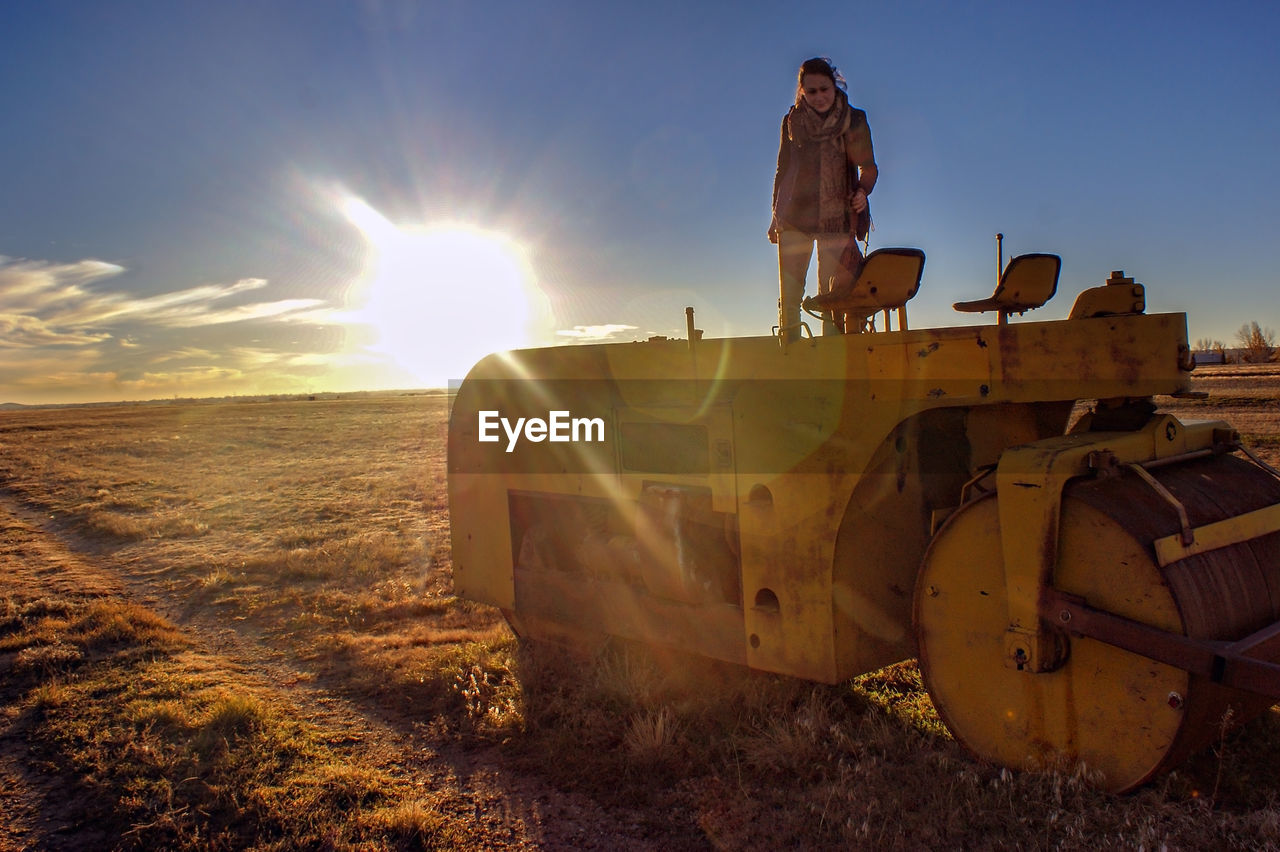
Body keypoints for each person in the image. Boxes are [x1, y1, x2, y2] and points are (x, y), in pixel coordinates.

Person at [769, 57, 878, 339]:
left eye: (824, 89)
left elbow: (868, 166)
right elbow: (782, 170)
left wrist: (862, 192)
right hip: (794, 216)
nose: (819, 97)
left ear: (835, 86)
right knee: (790, 297)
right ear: (802, 91)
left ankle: (833, 360)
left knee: (832, 298)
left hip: (837, 217)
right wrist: (774, 216)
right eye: (812, 91)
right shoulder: (792, 121)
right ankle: (790, 354)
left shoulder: (854, 120)